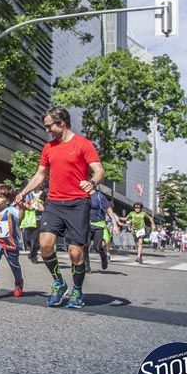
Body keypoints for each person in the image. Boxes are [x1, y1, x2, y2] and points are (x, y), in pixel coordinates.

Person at [15, 106, 104, 310]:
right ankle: (58, 282)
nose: (47, 130)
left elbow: (99, 170)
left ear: (61, 123)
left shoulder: (83, 144)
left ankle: (78, 290)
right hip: (54, 203)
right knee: (45, 244)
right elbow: (40, 175)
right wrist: (23, 191)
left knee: (75, 254)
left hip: (78, 204)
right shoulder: (49, 147)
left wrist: (93, 182)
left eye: (49, 126)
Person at [0, 184, 24, 298]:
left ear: (7, 200)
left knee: (14, 265)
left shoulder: (11, 210)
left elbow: (20, 217)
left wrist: (21, 208)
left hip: (10, 243)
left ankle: (18, 283)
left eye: (0, 196)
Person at [83, 188, 118, 272]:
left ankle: (104, 256)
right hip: (86, 224)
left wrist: (115, 224)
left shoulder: (99, 196)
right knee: (85, 245)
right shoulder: (82, 194)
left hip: (98, 225)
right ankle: (87, 266)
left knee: (97, 246)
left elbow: (109, 211)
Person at [19, 191, 43, 263]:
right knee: (27, 239)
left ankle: (33, 256)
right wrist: (27, 206)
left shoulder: (43, 193)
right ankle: (33, 250)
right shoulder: (28, 193)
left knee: (34, 240)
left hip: (39, 220)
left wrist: (38, 206)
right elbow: (23, 203)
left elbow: (43, 206)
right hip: (29, 220)